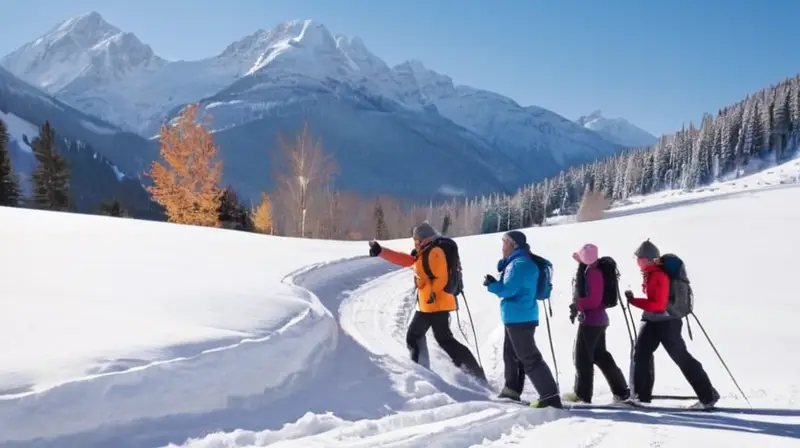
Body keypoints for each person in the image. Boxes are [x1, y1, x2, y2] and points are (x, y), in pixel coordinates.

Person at [368, 221, 487, 383]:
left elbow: (441, 278)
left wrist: (428, 288)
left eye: (416, 239)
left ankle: (469, 373)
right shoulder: (424, 252)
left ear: (424, 239)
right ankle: (430, 369)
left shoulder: (435, 252)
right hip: (430, 305)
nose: (414, 242)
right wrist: (381, 251)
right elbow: (406, 260)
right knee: (426, 337)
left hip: (436, 304)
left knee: (435, 338)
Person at [624, 239, 720, 409]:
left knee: (681, 358)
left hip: (667, 323)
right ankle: (639, 397)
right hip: (654, 320)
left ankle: (708, 395)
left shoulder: (659, 275)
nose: (637, 261)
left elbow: (658, 305)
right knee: (641, 354)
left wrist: (635, 302)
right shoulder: (651, 273)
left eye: (638, 258)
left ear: (647, 259)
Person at [483, 230, 562, 409]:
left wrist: (492, 285)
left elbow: (508, 290)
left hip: (520, 317)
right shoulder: (520, 262)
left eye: (504, 243)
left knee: (529, 357)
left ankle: (550, 397)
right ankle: (512, 390)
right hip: (519, 316)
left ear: (513, 245)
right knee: (512, 355)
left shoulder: (519, 264)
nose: (502, 247)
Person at [562, 243, 631, 404]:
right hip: (598, 320)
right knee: (601, 356)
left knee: (582, 359)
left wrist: (578, 304)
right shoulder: (593, 270)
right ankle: (621, 391)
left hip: (591, 322)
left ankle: (583, 395)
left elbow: (594, 301)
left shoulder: (593, 273)